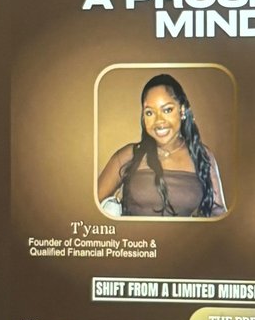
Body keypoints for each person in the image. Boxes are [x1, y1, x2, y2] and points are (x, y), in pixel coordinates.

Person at [96, 73, 226, 218]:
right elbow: (87, 208)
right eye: (150, 112)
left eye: (167, 110)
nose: (159, 120)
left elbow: (219, 216)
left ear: (182, 110)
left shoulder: (202, 155)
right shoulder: (127, 156)